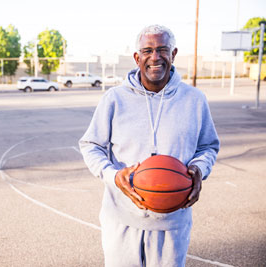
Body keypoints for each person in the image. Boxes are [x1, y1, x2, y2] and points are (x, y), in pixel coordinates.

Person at [79, 24, 220, 267]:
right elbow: (91, 145)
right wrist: (113, 176)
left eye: (162, 50)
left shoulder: (195, 100)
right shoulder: (114, 99)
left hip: (172, 221)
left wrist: (198, 169)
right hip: (121, 219)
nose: (155, 57)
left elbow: (208, 146)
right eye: (147, 50)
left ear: (173, 54)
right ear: (137, 57)